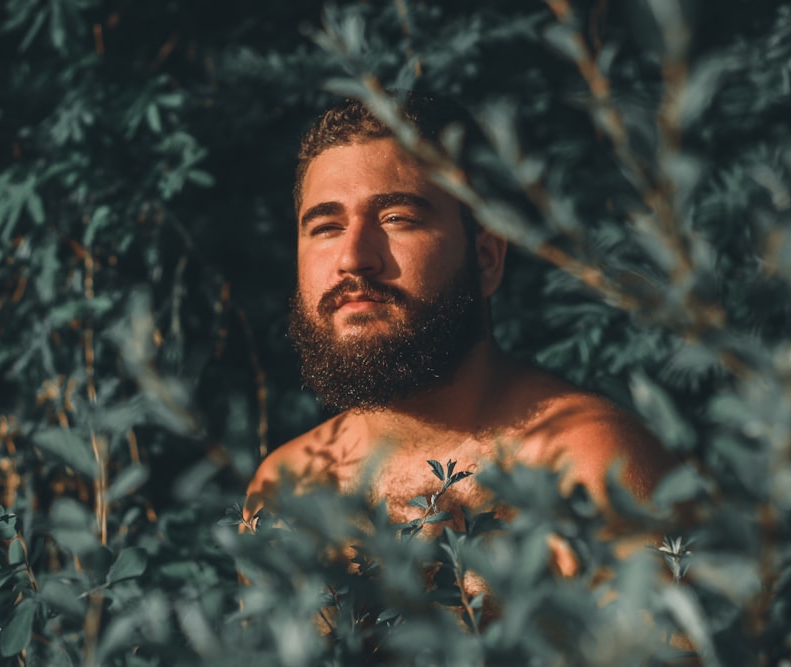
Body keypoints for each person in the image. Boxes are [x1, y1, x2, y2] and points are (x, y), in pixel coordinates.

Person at [243, 94, 675, 590]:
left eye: (396, 218)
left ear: (487, 258)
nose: (353, 258)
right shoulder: (282, 489)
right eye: (326, 227)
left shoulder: (585, 470)